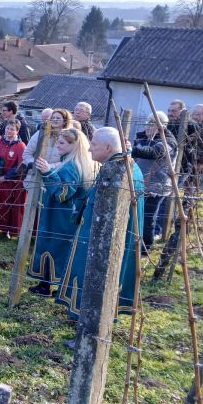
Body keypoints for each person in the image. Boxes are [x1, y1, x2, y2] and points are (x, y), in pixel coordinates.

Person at [56, 127, 144, 328]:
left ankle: (89, 323)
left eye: (94, 145)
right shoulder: (123, 166)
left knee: (91, 274)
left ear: (108, 147)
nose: (89, 149)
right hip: (105, 234)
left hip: (103, 240)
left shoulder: (117, 172)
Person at [27, 128, 97, 296]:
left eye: (62, 142)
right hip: (64, 215)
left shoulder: (71, 166)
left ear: (74, 145)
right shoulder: (71, 162)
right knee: (60, 248)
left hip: (60, 216)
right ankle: (53, 285)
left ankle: (47, 286)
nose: (57, 145)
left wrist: (48, 173)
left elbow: (62, 194)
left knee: (54, 247)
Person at [131, 112, 177, 251]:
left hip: (156, 186)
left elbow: (153, 153)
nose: (148, 126)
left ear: (163, 126)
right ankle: (135, 244)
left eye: (152, 123)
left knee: (148, 218)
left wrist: (131, 150)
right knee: (137, 215)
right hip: (139, 183)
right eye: (148, 122)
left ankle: (145, 248)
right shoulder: (142, 137)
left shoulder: (168, 141)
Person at [0, 118, 26, 237]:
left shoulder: (21, 146)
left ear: (17, 131)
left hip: (9, 184)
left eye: (12, 129)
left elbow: (21, 166)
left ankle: (4, 231)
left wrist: (5, 177)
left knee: (7, 206)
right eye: (8, 128)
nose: (9, 131)